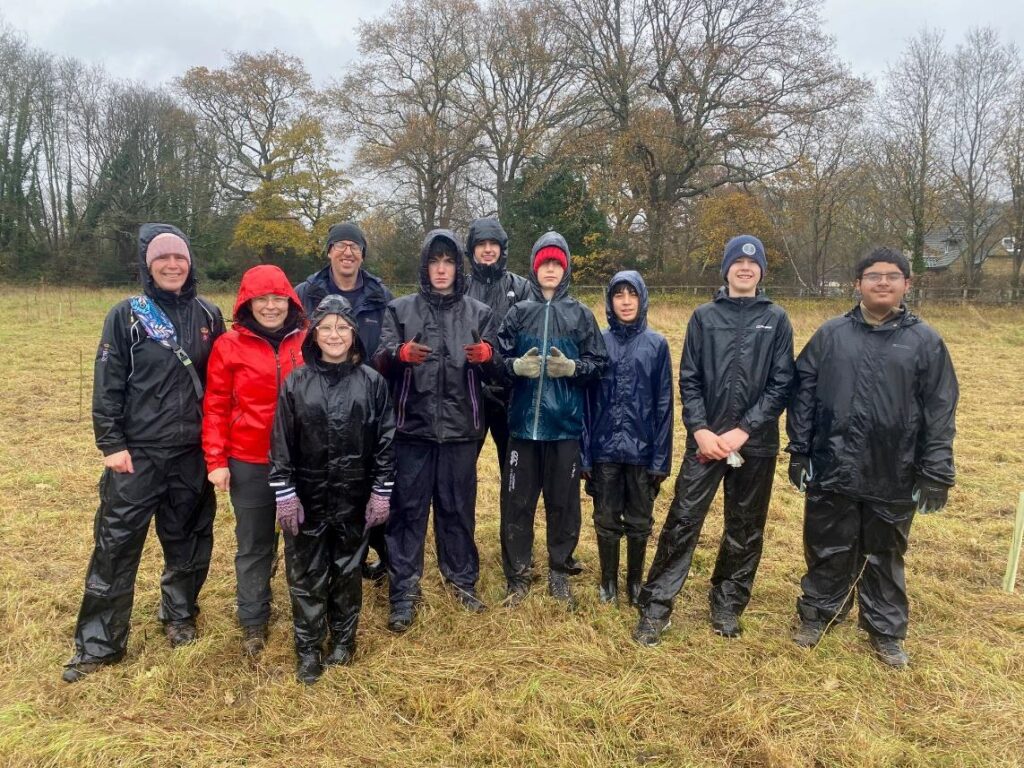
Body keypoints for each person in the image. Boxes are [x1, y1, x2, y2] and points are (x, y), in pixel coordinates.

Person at [63, 223, 225, 683]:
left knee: (189, 539)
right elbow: (108, 382)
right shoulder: (127, 315)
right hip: (138, 455)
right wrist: (111, 444)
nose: (172, 265)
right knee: (115, 547)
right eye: (162, 258)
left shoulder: (209, 315)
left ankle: (179, 616)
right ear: (147, 265)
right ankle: (99, 643)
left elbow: (219, 385)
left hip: (191, 453)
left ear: (190, 263)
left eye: (180, 258)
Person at [787, 246, 958, 668]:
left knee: (884, 552)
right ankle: (819, 615)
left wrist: (935, 471)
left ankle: (884, 630)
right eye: (874, 275)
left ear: (907, 284)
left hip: (894, 470)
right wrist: (800, 449)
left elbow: (940, 409)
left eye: (892, 276)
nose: (883, 282)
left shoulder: (925, 342)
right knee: (828, 546)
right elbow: (803, 392)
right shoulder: (830, 335)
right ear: (858, 283)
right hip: (833, 464)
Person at [634, 235, 794, 646]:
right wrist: (701, 430)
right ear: (725, 269)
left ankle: (727, 604)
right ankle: (656, 606)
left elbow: (780, 384)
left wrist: (745, 429)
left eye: (752, 263)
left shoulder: (776, 319)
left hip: (754, 443)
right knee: (683, 520)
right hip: (705, 443)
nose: (745, 268)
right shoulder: (704, 317)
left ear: (760, 271)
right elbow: (688, 378)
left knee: (745, 527)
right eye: (737, 262)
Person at [373, 230, 503, 632]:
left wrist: (489, 357)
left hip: (462, 430)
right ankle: (403, 592)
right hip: (412, 429)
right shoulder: (400, 310)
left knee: (457, 510)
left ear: (458, 268)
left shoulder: (478, 312)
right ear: (425, 267)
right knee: (408, 512)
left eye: (448, 262)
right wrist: (398, 355)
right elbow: (378, 363)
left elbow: (500, 371)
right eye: (435, 261)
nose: (442, 269)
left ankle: (462, 581)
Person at [269, 295, 395, 684]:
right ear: (314, 334)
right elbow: (281, 442)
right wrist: (284, 493)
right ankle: (308, 648)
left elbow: (386, 441)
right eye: (327, 327)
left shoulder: (372, 383)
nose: (335, 335)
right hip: (307, 499)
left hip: (353, 499)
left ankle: (343, 640)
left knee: (347, 571)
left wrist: (381, 491)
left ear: (354, 335)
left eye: (343, 327)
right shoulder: (296, 382)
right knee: (306, 575)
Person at [497, 232, 608, 609]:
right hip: (523, 425)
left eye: (556, 263)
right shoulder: (518, 313)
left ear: (566, 269)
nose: (550, 269)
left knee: (564, 503)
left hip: (564, 426)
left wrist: (574, 368)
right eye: (544, 262)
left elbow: (600, 364)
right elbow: (495, 361)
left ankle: (560, 571)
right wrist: (513, 366)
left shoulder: (580, 315)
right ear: (534, 266)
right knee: (517, 503)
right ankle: (518, 575)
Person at [202, 265, 306, 658]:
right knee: (255, 544)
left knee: (302, 539)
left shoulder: (306, 341)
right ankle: (253, 620)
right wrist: (217, 459)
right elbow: (214, 406)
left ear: (289, 301)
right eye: (261, 299)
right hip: (249, 459)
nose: (270, 306)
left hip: (299, 460)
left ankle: (305, 609)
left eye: (277, 298)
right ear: (247, 303)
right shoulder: (229, 346)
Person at [294, 221, 394, 583]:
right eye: (340, 245)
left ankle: (380, 556)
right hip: (319, 396)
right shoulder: (306, 292)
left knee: (371, 478)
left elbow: (391, 340)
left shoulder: (381, 293)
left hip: (369, 396)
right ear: (329, 251)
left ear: (363, 253)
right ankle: (325, 556)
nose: (348, 252)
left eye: (355, 246)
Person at [582, 271, 673, 607]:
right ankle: (607, 580)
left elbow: (664, 404)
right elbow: (587, 403)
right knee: (605, 517)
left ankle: (634, 581)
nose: (625, 301)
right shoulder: (598, 342)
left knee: (639, 521)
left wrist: (661, 459)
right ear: (610, 301)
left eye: (631, 294)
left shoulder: (657, 345)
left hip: (642, 451)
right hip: (604, 449)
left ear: (642, 299)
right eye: (618, 295)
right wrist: (585, 454)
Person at [464, 217, 532, 469]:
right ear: (472, 249)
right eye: (481, 244)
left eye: (494, 243)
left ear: (503, 249)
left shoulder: (523, 288)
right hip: (469, 392)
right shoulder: (461, 288)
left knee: (513, 471)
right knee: (461, 471)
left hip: (510, 392)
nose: (488, 249)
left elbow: (529, 338)